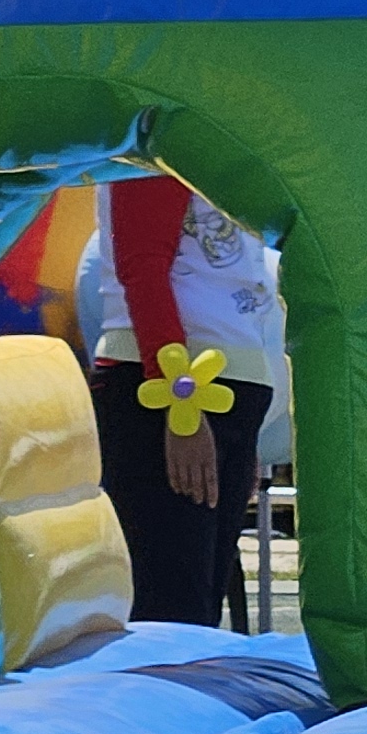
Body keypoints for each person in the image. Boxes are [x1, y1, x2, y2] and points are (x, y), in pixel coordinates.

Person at [85, 176, 282, 628]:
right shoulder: (160, 139)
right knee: (171, 605)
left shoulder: (224, 149)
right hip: (170, 386)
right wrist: (179, 404)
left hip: (227, 387)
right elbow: (143, 265)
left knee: (201, 599)